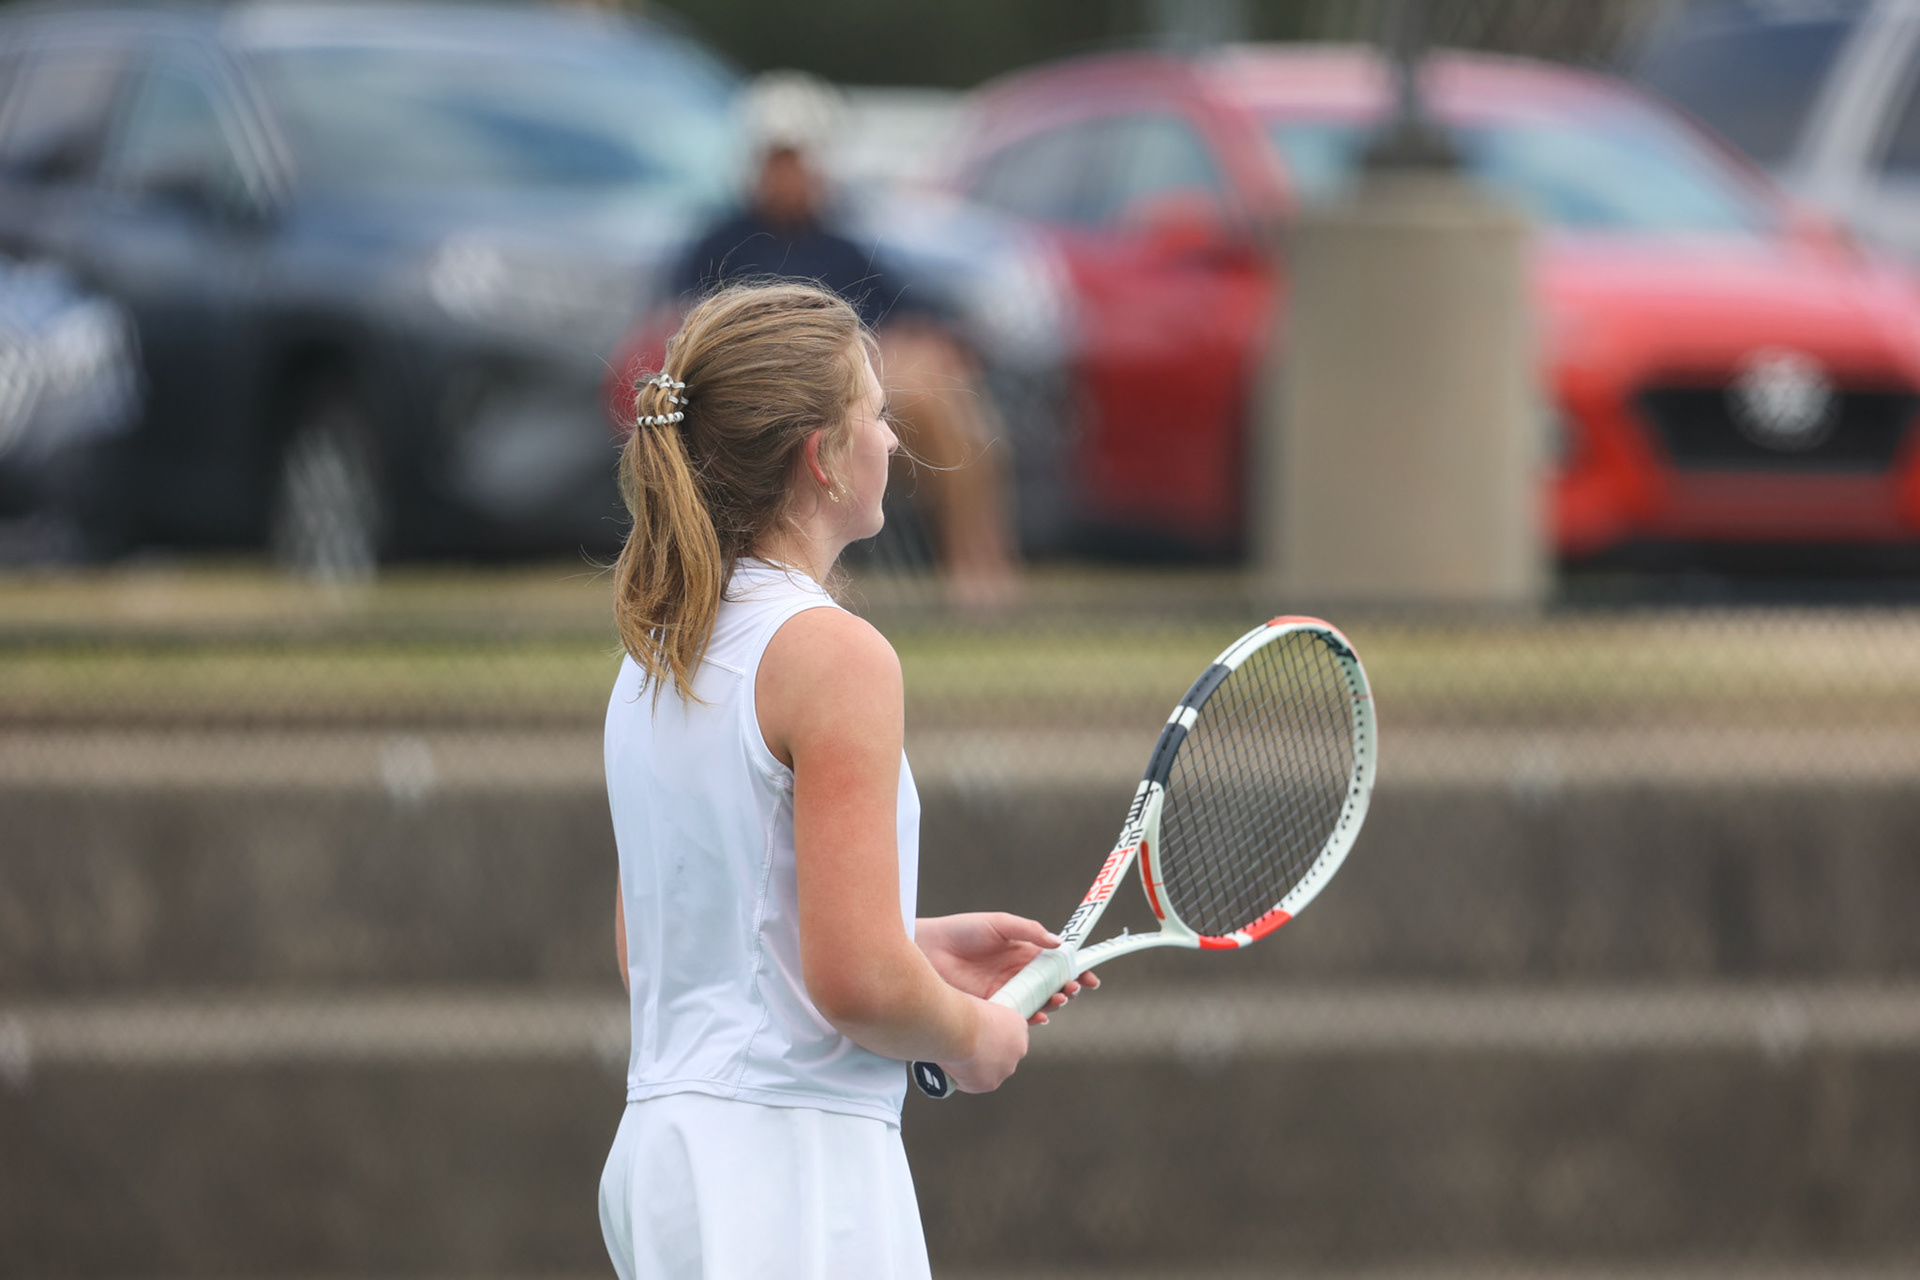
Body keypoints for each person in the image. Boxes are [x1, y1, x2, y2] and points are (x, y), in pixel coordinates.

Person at [598, 281, 1093, 1280]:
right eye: (876, 413)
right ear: (823, 456)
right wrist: (973, 1031)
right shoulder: (837, 656)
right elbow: (856, 983)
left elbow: (663, 941)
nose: (895, 442)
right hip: (791, 1171)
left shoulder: (658, 647)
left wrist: (909, 945)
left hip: (665, 1158)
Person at [670, 72, 1019, 608]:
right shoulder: (721, 247)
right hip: (780, 404)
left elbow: (907, 312)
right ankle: (978, 576)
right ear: (758, 164)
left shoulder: (840, 244)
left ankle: (980, 567)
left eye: (802, 159)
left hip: (851, 395)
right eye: (781, 159)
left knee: (943, 384)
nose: (793, 174)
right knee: (931, 389)